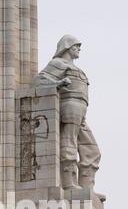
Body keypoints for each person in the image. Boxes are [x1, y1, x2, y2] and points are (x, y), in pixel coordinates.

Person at [33, 35, 101, 190]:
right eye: (76, 46)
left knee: (92, 150)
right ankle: (69, 183)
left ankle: (87, 188)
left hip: (81, 110)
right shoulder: (57, 63)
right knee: (68, 141)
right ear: (67, 47)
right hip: (70, 105)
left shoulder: (76, 68)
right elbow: (39, 80)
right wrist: (58, 83)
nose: (79, 49)